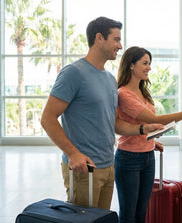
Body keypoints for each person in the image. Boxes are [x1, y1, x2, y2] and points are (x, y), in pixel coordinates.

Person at [40, 17, 163, 209]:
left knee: (101, 219)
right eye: (115, 39)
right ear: (99, 38)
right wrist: (73, 154)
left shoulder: (109, 79)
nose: (120, 45)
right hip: (84, 168)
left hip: (108, 165)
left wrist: (143, 129)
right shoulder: (73, 73)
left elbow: (114, 124)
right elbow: (47, 118)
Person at [114, 46, 182, 223]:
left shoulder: (142, 91)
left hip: (147, 156)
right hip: (129, 158)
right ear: (131, 65)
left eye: (149, 63)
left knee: (142, 212)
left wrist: (149, 141)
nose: (149, 67)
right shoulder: (124, 94)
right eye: (144, 63)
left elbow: (144, 125)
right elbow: (154, 119)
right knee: (128, 215)